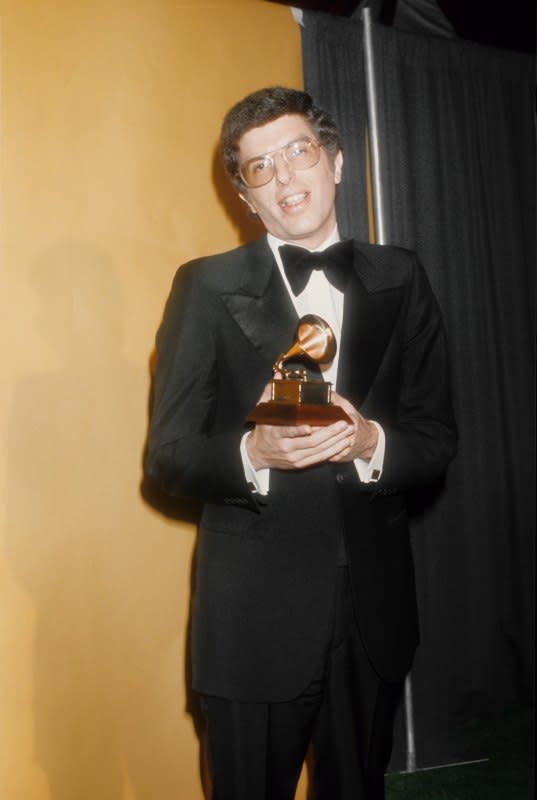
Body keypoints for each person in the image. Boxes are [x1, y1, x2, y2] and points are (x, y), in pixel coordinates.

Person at [145, 86, 457, 800]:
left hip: (373, 614)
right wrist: (252, 454)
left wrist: (370, 440)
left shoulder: (402, 277)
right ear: (243, 194)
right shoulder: (203, 286)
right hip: (252, 615)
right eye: (260, 168)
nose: (285, 178)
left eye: (299, 152)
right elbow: (167, 456)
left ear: (336, 160)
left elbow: (437, 439)